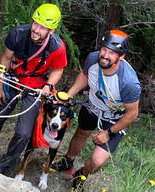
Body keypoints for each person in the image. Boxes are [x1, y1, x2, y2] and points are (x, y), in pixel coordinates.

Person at [0, 3, 67, 177]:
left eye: (42, 27)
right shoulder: (18, 34)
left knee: (24, 133)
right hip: (12, 79)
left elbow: (58, 69)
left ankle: (4, 165)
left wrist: (48, 86)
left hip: (35, 88)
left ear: (51, 30)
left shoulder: (57, 47)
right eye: (35, 23)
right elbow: (6, 58)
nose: (36, 29)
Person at [50, 29, 141, 190]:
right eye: (104, 49)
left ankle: (82, 173)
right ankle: (68, 161)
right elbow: (85, 75)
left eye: (112, 53)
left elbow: (132, 113)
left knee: (97, 161)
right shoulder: (93, 58)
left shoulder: (128, 82)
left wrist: (109, 132)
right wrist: (69, 94)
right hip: (93, 105)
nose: (105, 55)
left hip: (114, 117)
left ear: (121, 56)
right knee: (81, 133)